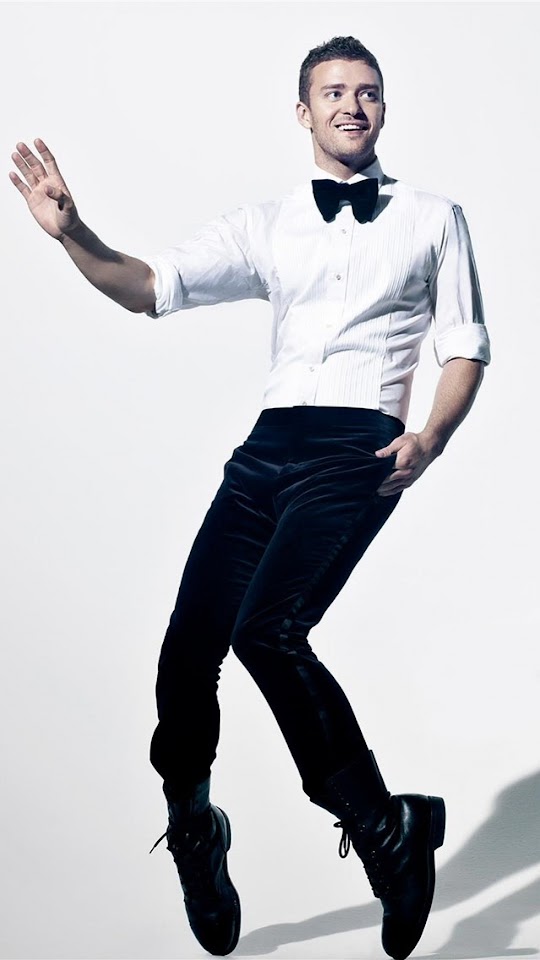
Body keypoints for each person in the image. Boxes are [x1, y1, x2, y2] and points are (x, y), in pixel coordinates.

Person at [9, 34, 490, 960]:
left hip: (357, 447)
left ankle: (385, 829)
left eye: (367, 92)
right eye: (332, 92)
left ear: (384, 108)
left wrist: (429, 437)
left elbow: (466, 346)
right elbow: (147, 288)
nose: (351, 105)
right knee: (188, 649)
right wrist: (72, 231)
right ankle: (195, 825)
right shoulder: (268, 225)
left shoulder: (435, 218)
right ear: (303, 111)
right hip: (266, 451)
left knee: (268, 631)